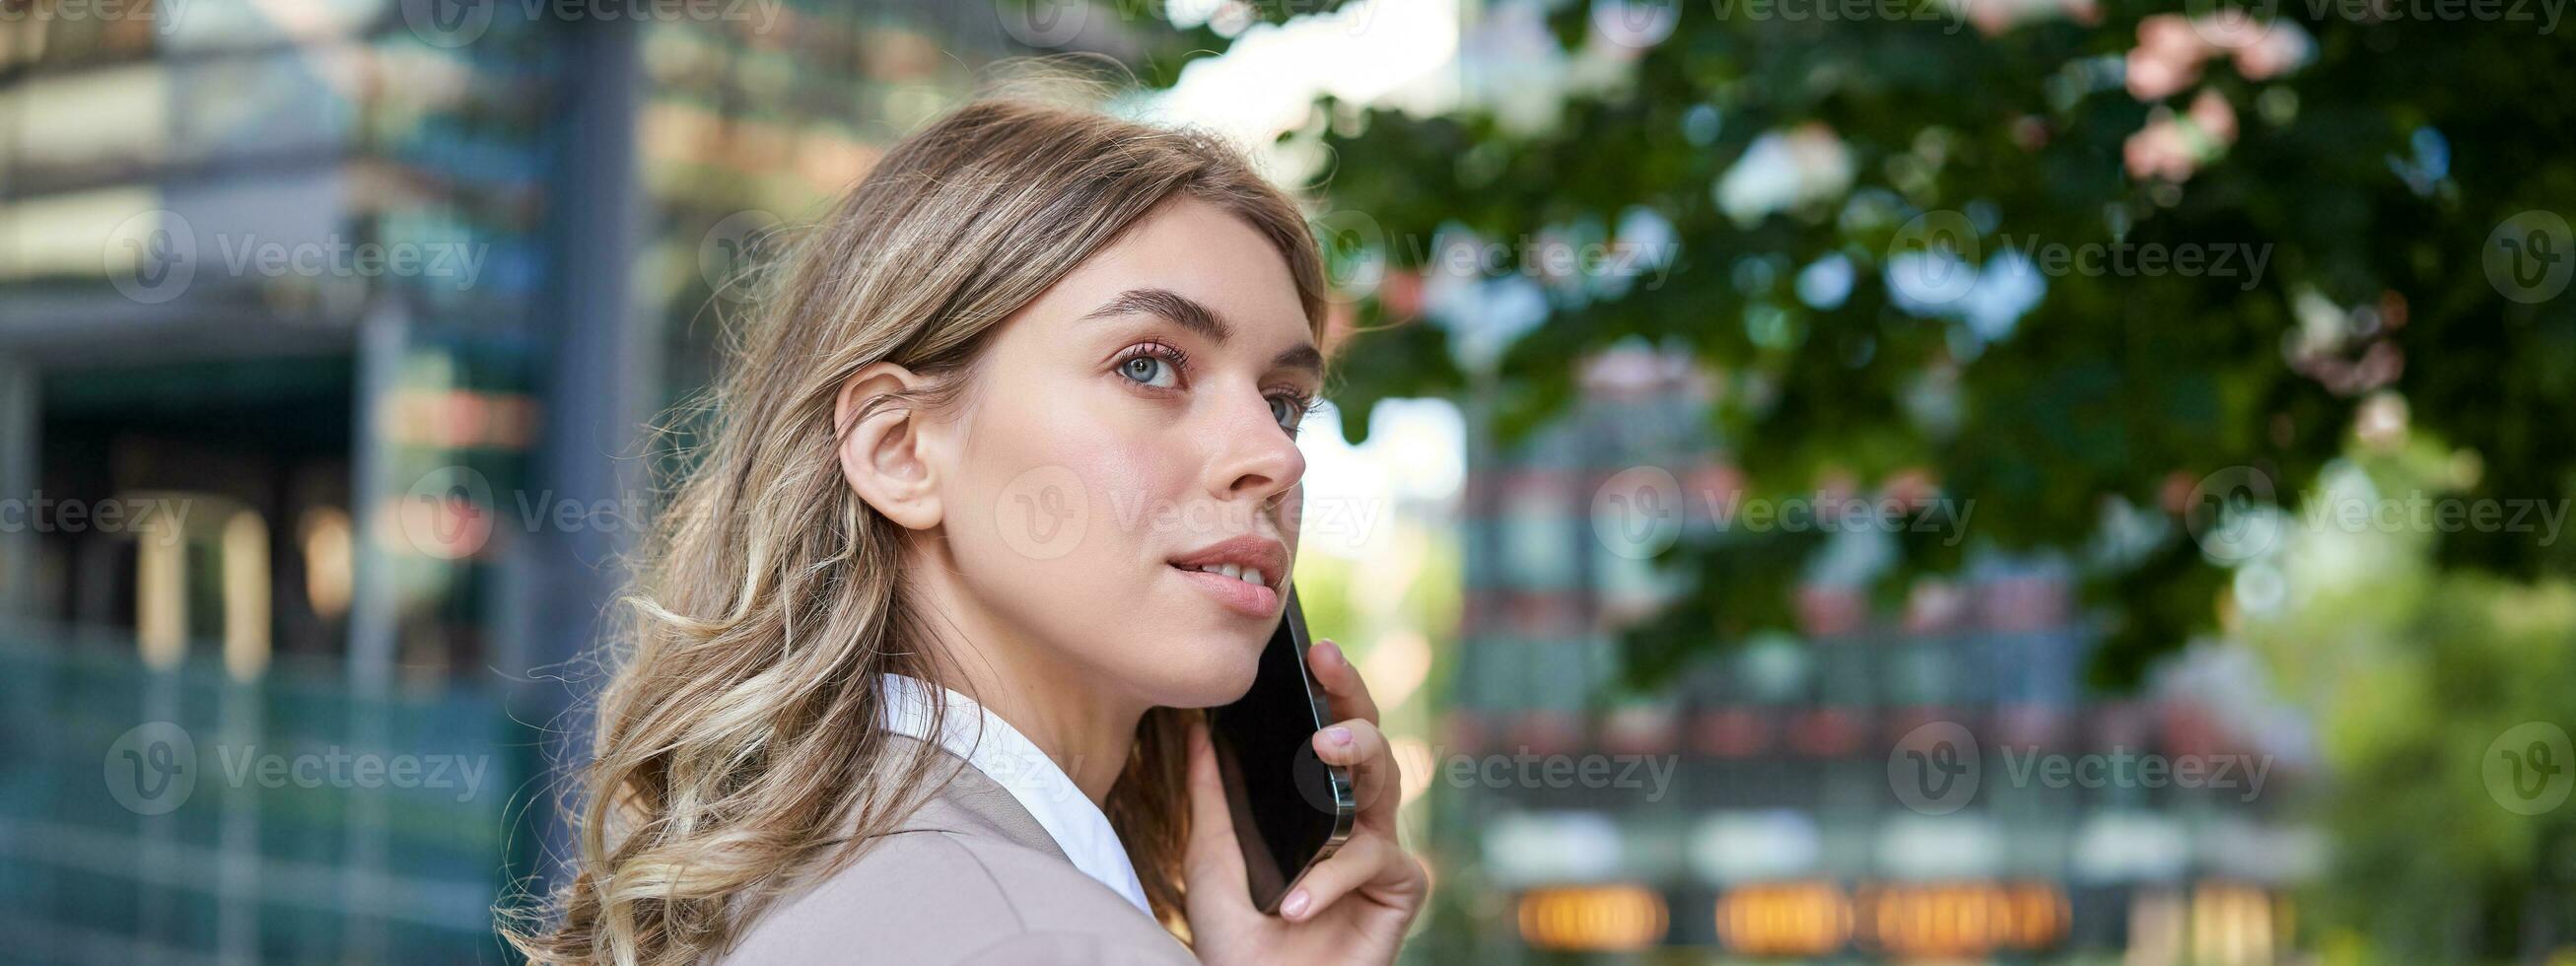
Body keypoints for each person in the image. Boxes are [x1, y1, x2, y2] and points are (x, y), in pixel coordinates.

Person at [505, 95, 1427, 965]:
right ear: (901, 449)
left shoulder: (831, 883)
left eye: (1283, 402)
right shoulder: (1029, 937)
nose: (1275, 457)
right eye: (1149, 366)